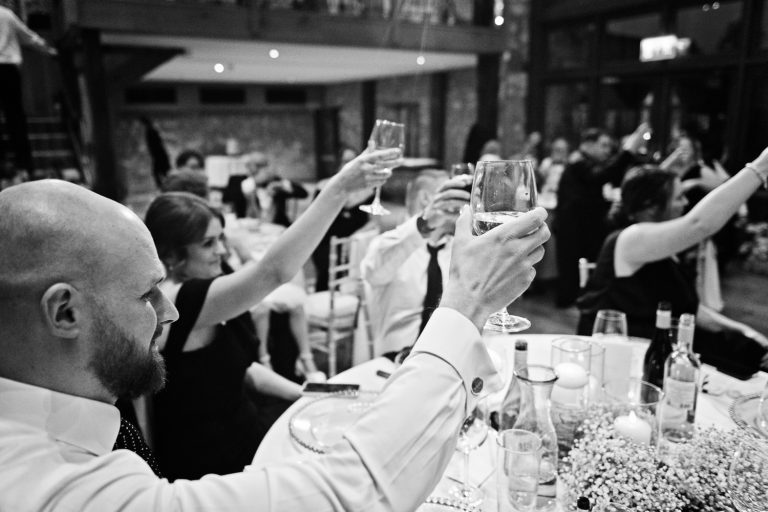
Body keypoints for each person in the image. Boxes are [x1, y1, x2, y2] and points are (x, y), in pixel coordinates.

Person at [0, 177, 549, 511]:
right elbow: (349, 495)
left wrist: (317, 389)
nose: (168, 310)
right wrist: (467, 303)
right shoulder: (47, 488)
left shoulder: (59, 406)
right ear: (64, 311)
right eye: (147, 293)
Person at [577, 147, 768, 375]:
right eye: (678, 197)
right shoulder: (630, 238)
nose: (685, 202)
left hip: (665, 348)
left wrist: (746, 331)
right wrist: (761, 167)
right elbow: (699, 224)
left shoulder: (662, 246)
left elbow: (689, 310)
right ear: (650, 206)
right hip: (622, 361)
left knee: (750, 351)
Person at [362, 170, 471, 356]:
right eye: (451, 192)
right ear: (426, 199)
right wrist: (425, 223)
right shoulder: (389, 245)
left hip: (450, 358)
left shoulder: (460, 250)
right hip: (394, 361)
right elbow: (373, 272)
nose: (461, 200)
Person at [554, 124, 646, 307]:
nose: (607, 150)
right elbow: (600, 177)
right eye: (603, 145)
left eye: (609, 146)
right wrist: (627, 150)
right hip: (571, 228)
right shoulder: (578, 162)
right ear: (588, 144)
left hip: (580, 227)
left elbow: (592, 191)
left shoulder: (587, 163)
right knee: (571, 269)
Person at [0, 6, 57, 174]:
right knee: (15, 116)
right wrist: (49, 50)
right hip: (9, 69)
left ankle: (3, 160)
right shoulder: (6, 14)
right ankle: (24, 163)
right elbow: (28, 37)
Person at [311, 146, 373, 292]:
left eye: (354, 160)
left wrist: (357, 235)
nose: (350, 165)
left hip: (353, 244)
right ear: (339, 163)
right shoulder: (325, 186)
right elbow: (317, 219)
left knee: (356, 277)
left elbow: (371, 221)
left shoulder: (367, 190)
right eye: (346, 161)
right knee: (326, 275)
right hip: (325, 242)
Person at [240, 151, 308, 227]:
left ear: (265, 169)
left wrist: (282, 185)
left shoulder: (277, 182)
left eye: (255, 173)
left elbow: (303, 193)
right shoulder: (249, 185)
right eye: (251, 173)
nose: (252, 177)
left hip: (279, 227)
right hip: (258, 228)